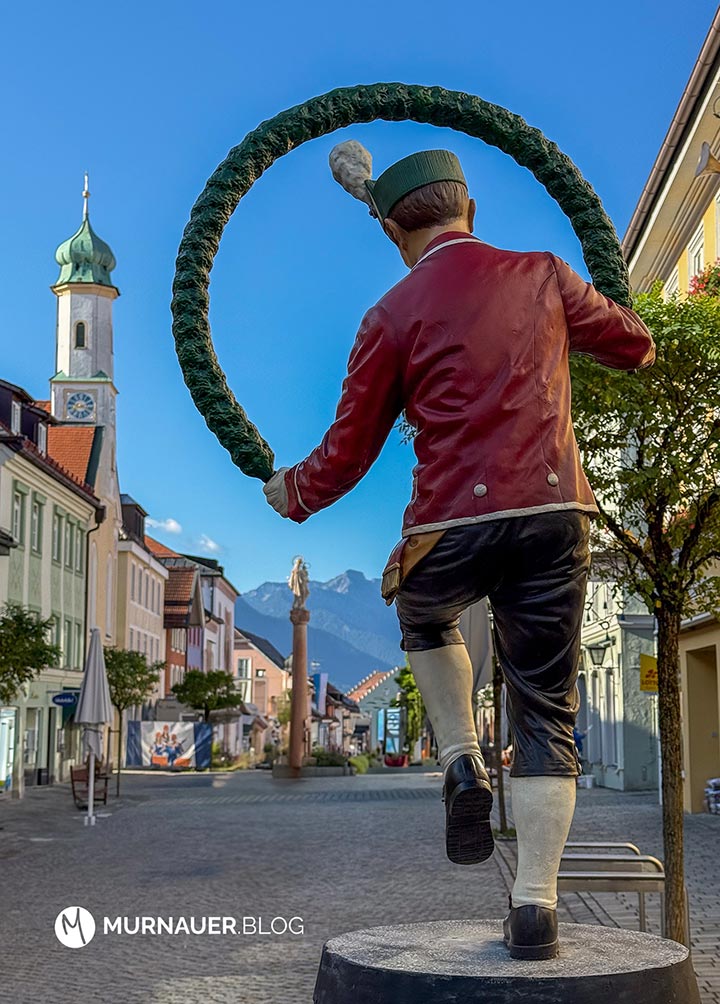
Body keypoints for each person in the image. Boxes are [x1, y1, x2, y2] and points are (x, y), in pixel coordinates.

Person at [263, 144, 655, 960]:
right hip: (553, 511)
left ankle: (460, 759)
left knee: (423, 611)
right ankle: (536, 908)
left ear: (394, 233)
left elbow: (349, 450)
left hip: (451, 523)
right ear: (470, 208)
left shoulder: (389, 315)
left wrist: (294, 490)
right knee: (547, 710)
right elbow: (635, 345)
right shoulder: (545, 273)